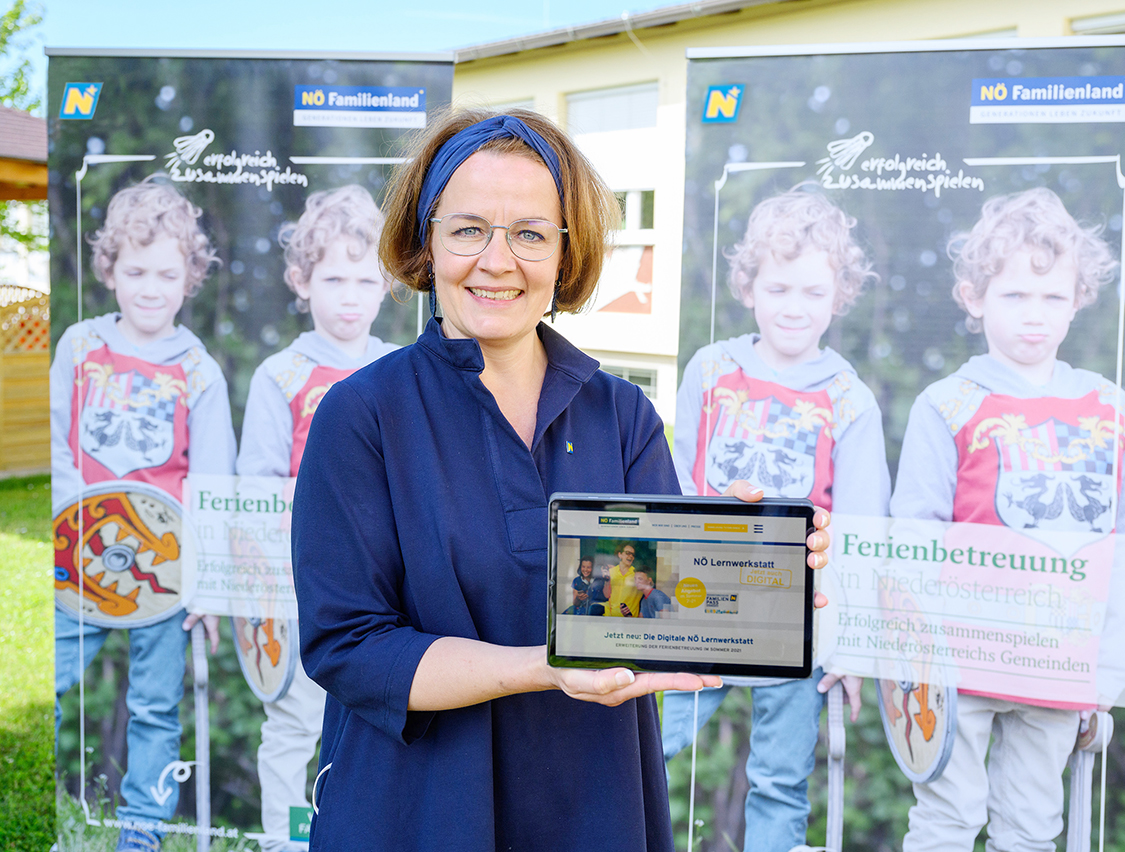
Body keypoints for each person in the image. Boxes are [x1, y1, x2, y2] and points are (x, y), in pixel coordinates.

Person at [289, 107, 833, 851]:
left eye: (530, 234)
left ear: (564, 252)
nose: (497, 260)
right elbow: (350, 648)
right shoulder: (361, 415)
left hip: (594, 809)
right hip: (415, 816)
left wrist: (741, 558)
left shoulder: (624, 414)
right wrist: (546, 668)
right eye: (468, 229)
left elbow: (652, 614)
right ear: (426, 239)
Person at [891, 187, 1125, 852]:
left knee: (1031, 829)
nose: (1034, 314)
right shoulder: (946, 404)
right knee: (947, 822)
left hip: (1058, 665)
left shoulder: (1111, 409)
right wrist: (914, 664)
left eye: (1052, 296)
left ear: (1078, 298)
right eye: (1014, 295)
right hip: (957, 665)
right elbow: (913, 538)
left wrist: (1108, 674)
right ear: (974, 297)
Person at [664, 187, 890, 852]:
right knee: (647, 748)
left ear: (839, 295)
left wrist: (852, 645)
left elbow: (864, 533)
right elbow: (675, 485)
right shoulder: (710, 370)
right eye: (779, 287)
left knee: (781, 782)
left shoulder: (850, 399)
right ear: (748, 286)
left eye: (814, 292)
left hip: (800, 622)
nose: (795, 306)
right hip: (696, 607)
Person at [49, 175, 235, 852]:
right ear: (109, 269)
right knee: (48, 685)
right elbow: (56, 446)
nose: (150, 287)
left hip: (165, 573)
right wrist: (70, 524)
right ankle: (34, 804)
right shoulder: (79, 347)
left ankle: (142, 838)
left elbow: (213, 483)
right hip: (79, 563)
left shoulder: (199, 370)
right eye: (135, 271)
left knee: (156, 709)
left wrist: (208, 586)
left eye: (166, 273)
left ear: (190, 278)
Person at [235, 185, 394, 852]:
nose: (350, 296)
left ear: (387, 285)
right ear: (302, 281)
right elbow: (256, 491)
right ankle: (283, 842)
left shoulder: (400, 372)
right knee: (295, 723)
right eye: (333, 279)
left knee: (376, 725)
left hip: (385, 596)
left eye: (365, 280)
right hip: (299, 592)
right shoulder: (280, 375)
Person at [605, 542, 642, 617]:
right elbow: (606, 595)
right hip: (611, 616)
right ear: (620, 555)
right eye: (628, 553)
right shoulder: (611, 572)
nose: (630, 556)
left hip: (629, 618)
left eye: (633, 554)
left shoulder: (637, 574)